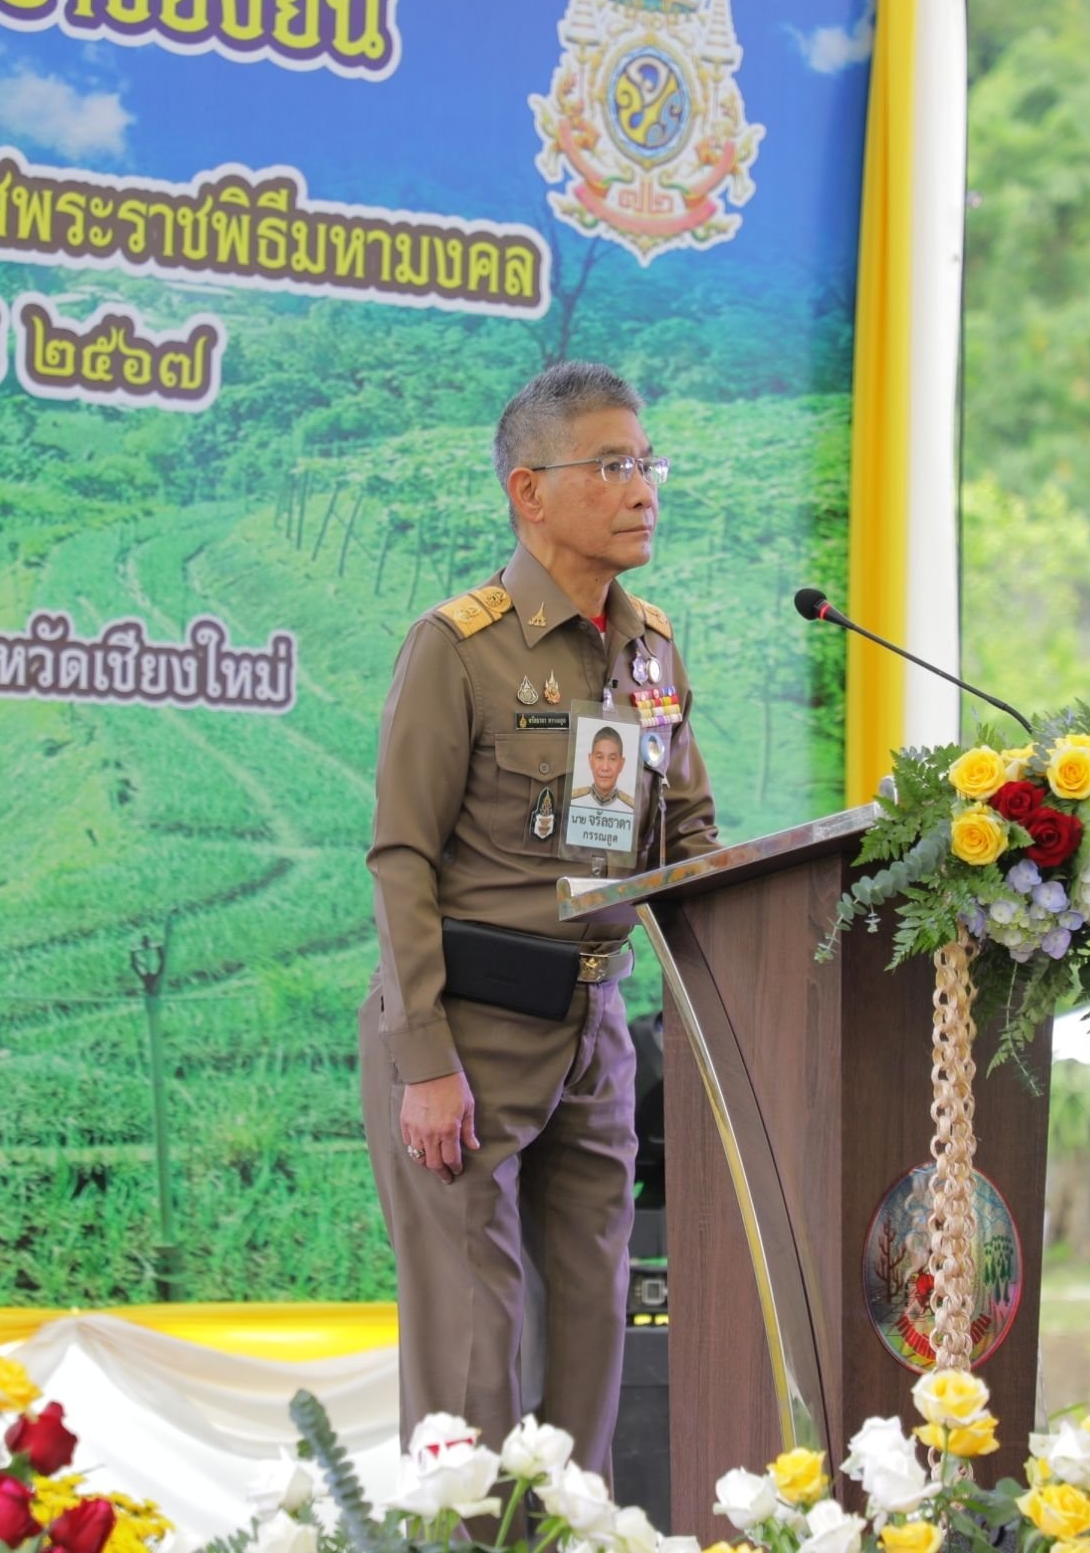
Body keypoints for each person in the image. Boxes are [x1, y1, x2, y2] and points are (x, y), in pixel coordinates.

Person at [361, 361, 719, 1470]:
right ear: (529, 490)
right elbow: (401, 856)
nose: (642, 488)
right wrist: (423, 1062)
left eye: (645, 463)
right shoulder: (460, 647)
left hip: (596, 1037)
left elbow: (690, 837)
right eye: (611, 466)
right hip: (466, 1035)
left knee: (587, 1359)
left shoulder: (652, 649)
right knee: (475, 1368)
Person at [571, 727, 635, 808]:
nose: (605, 767)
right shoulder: (573, 801)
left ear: (621, 764)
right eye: (600, 757)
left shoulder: (631, 808)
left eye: (612, 759)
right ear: (590, 760)